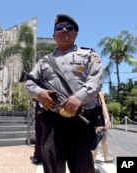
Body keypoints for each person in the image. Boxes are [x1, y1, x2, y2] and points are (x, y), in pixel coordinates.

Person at [26, 14, 103, 173]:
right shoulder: (44, 61)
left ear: (76, 33)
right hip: (53, 120)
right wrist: (40, 93)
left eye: (69, 27)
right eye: (59, 28)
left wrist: (79, 97)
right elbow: (30, 81)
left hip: (80, 120)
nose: (64, 30)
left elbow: (96, 80)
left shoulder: (88, 56)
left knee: (82, 167)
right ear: (54, 35)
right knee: (52, 164)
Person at [92, 91, 113, 164]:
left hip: (96, 117)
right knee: (95, 141)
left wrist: (107, 119)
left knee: (102, 137)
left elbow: (102, 103)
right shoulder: (98, 90)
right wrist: (107, 118)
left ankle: (106, 156)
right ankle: (92, 165)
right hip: (96, 117)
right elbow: (103, 103)